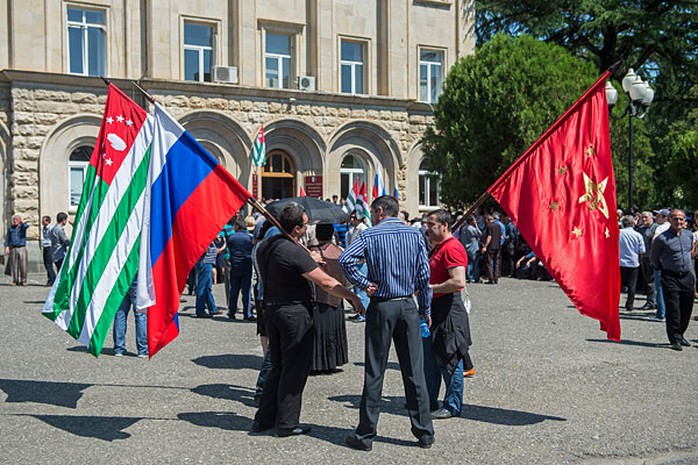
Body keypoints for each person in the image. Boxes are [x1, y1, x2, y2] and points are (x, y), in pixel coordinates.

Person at [252, 203, 363, 438]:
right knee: (293, 370)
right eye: (304, 225)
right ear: (296, 229)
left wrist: (306, 256)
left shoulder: (266, 246)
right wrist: (352, 295)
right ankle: (287, 423)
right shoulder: (292, 250)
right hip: (293, 313)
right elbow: (325, 282)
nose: (307, 228)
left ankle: (264, 419)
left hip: (272, 309)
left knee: (277, 367)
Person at [340, 195, 435, 451]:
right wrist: (425, 308)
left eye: (372, 211)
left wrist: (363, 284)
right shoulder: (415, 235)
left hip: (382, 304)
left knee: (374, 371)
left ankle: (365, 435)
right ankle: (424, 432)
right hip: (407, 304)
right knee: (415, 372)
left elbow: (345, 260)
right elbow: (424, 277)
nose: (370, 215)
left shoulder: (369, 235)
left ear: (380, 211)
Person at [423, 209, 471, 420]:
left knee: (450, 357)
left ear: (444, 226)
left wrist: (430, 288)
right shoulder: (439, 247)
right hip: (436, 306)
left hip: (449, 308)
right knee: (433, 358)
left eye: (431, 224)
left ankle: (452, 405)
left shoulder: (452, 248)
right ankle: (430, 400)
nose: (427, 228)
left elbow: (458, 281)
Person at [650, 209, 695, 351]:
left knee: (687, 307)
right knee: (673, 308)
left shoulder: (688, 236)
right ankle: (674, 338)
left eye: (681, 219)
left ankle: (681, 334)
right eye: (676, 219)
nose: (679, 222)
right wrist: (662, 268)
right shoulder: (662, 238)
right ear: (670, 220)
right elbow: (654, 257)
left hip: (687, 276)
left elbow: (691, 253)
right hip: (670, 276)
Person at [309, 223, 349, 373]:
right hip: (338, 295)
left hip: (320, 296)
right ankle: (333, 361)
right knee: (334, 330)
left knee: (320, 331)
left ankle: (318, 363)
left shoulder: (314, 251)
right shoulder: (340, 251)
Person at [227, 217, 254, 321]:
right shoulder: (249, 238)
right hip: (247, 266)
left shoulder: (231, 237)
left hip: (235, 265)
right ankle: (247, 313)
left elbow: (229, 248)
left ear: (237, 226)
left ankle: (231, 312)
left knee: (233, 290)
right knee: (246, 291)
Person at [113, 278, 148, 358]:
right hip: (138, 279)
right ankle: (142, 350)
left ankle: (119, 348)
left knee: (120, 314)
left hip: (121, 278)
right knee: (140, 315)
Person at [619, 215, 645, 311]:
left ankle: (614, 303)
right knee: (632, 285)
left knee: (618, 285)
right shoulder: (638, 235)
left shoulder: (618, 233)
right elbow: (642, 250)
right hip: (633, 262)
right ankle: (629, 304)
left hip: (620, 261)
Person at [651, 209, 671, 320]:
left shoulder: (661, 228)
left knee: (660, 288)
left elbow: (655, 241)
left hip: (661, 260)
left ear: (665, 218)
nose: (656, 218)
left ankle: (661, 313)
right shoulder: (674, 228)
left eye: (659, 216)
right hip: (671, 262)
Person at [635, 211, 656, 310]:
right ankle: (651, 300)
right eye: (642, 218)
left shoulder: (655, 228)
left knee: (651, 281)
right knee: (647, 280)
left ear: (651, 218)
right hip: (644, 257)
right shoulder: (640, 230)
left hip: (652, 257)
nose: (643, 220)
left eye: (646, 218)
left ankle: (651, 302)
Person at [195, 240, 220, 318]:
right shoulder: (204, 237)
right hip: (205, 263)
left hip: (208, 263)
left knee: (208, 287)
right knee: (202, 287)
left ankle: (212, 308)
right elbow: (202, 249)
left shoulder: (209, 238)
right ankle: (200, 310)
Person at [4, 214, 30, 286]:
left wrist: (22, 222)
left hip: (22, 248)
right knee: (14, 265)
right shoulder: (11, 228)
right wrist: (6, 247)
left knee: (23, 265)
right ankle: (15, 280)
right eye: (14, 219)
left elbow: (26, 226)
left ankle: (23, 280)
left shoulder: (22, 227)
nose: (15, 221)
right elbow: (7, 238)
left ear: (19, 220)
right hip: (13, 248)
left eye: (17, 219)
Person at [459, 216, 482, 283]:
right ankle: (476, 277)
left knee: (468, 263)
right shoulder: (471, 228)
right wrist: (476, 226)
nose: (475, 221)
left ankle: (469, 277)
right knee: (475, 263)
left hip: (465, 247)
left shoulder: (463, 228)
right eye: (474, 220)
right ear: (471, 221)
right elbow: (480, 234)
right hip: (473, 247)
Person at [481, 214, 502, 284]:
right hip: (498, 246)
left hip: (490, 246)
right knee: (497, 263)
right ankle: (496, 278)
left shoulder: (489, 226)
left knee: (489, 263)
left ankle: (491, 278)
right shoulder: (498, 226)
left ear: (487, 220)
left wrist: (485, 246)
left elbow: (489, 237)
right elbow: (501, 236)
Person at [40, 215, 55, 286]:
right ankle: (50, 277)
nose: (42, 222)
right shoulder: (44, 228)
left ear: (48, 221)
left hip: (49, 246)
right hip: (45, 246)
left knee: (49, 264)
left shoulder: (50, 228)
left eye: (44, 220)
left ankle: (52, 279)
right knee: (46, 264)